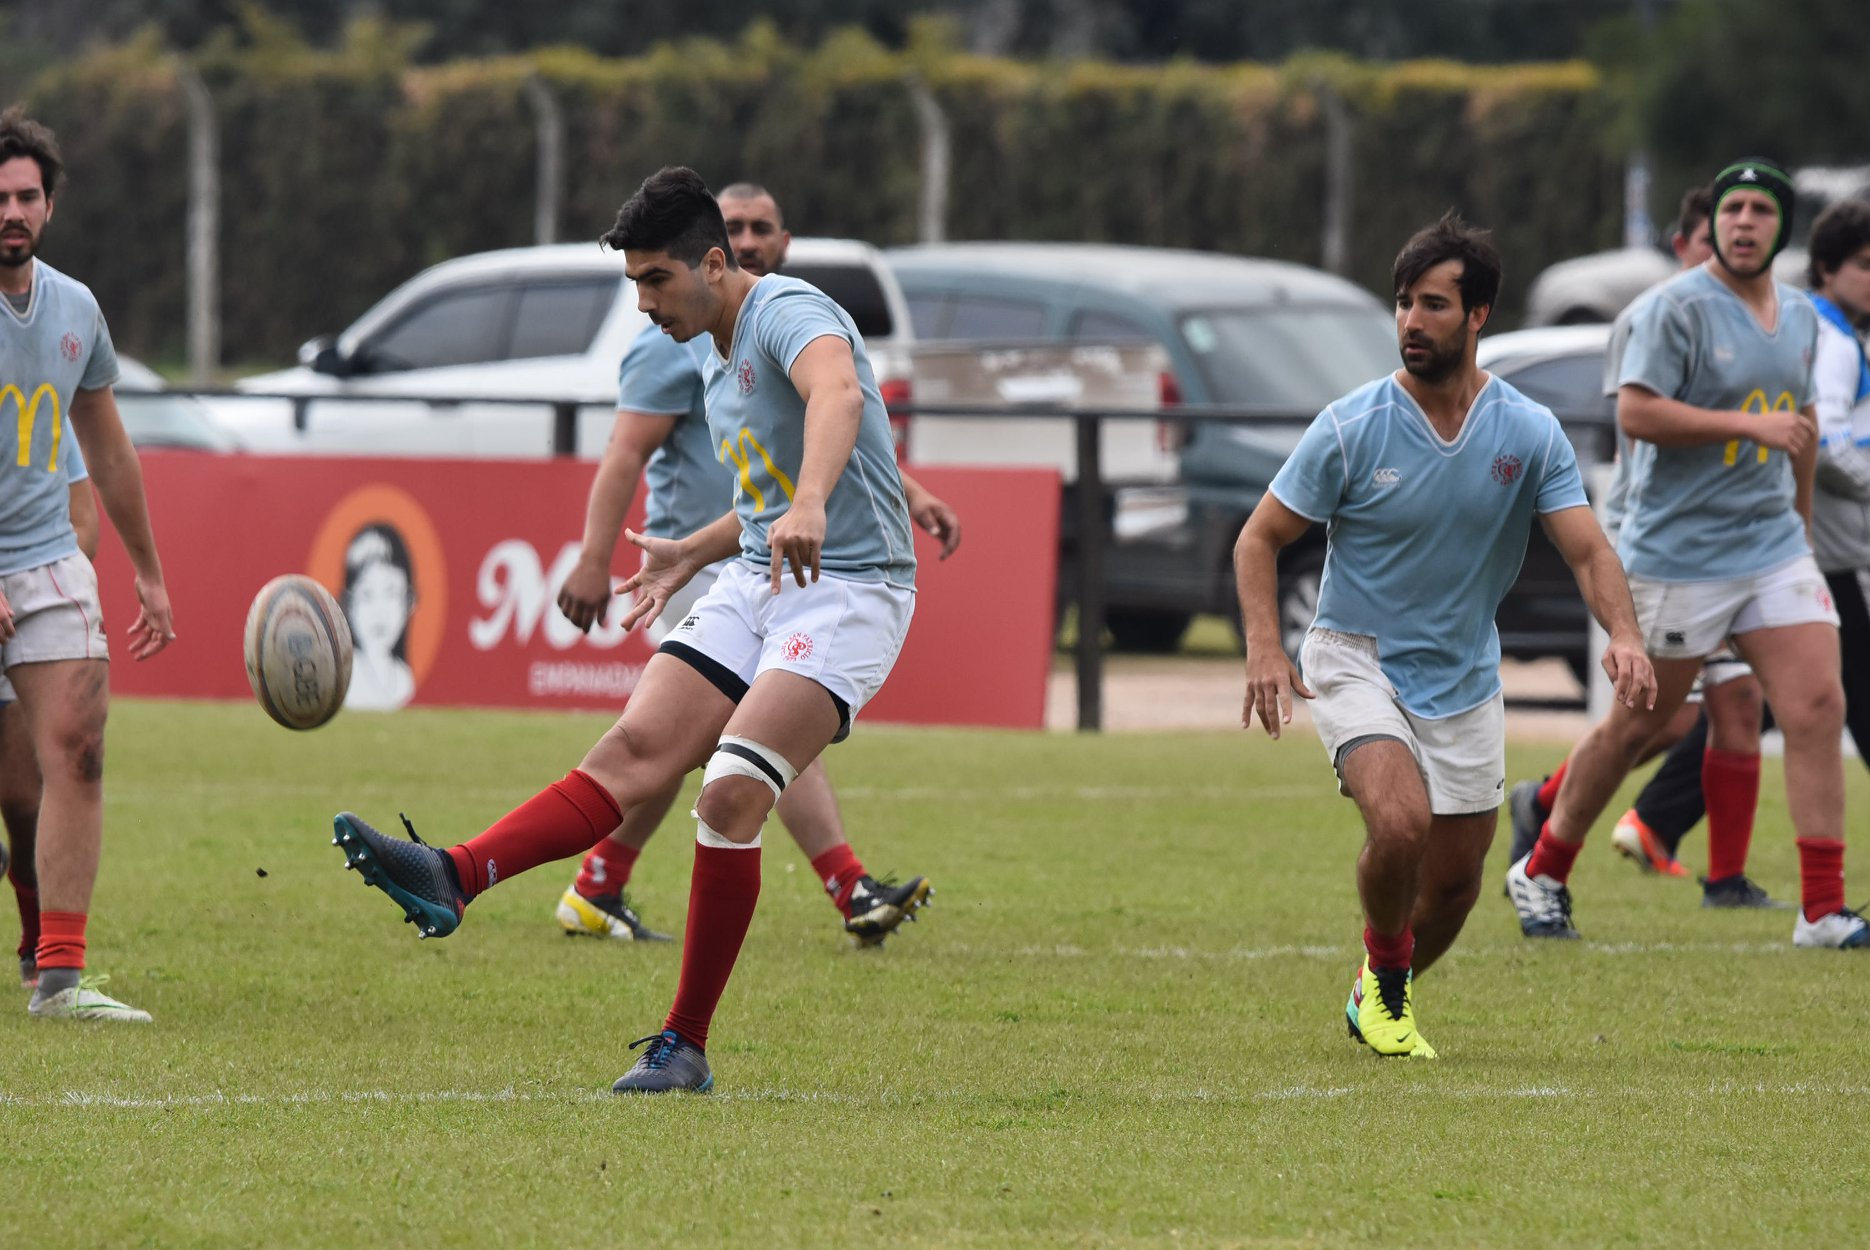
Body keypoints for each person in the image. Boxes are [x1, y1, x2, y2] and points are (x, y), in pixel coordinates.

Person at [331, 166, 919, 1092]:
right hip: (761, 572)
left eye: (656, 281)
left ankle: (685, 1044)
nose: (643, 302)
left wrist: (807, 504)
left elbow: (838, 396)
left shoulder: (784, 310)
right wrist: (697, 547)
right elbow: (767, 502)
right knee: (634, 748)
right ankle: (455, 873)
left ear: (715, 263)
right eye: (634, 282)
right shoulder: (702, 348)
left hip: (851, 589)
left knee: (729, 792)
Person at [1237, 212, 1655, 1058]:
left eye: (1432, 304)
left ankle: (1375, 989)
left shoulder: (1528, 432)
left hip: (1464, 676)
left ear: (1478, 317)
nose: (1411, 322)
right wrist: (1263, 646)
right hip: (1356, 660)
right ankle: (1390, 995)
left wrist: (1626, 635)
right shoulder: (1353, 426)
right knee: (1399, 824)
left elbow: (1587, 547)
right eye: (1402, 304)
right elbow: (1259, 538)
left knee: (1458, 886)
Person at [552, 182, 954, 946]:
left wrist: (906, 492)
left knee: (703, 749)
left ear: (779, 241)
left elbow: (826, 423)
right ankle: (846, 884)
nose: (748, 237)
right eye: (734, 225)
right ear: (712, 249)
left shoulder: (777, 318)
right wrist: (593, 557)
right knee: (725, 745)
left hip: (772, 549)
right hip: (701, 563)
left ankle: (596, 882)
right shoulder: (677, 335)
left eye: (759, 227)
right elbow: (624, 452)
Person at [1508, 158, 1866, 950]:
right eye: (1733, 209)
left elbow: (1800, 427)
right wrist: (1748, 428)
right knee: (1641, 726)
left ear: (1781, 227)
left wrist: (1800, 529)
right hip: (1677, 554)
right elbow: (1636, 414)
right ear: (1716, 224)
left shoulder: (1801, 317)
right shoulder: (1670, 310)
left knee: (1816, 706)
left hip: (1770, 547)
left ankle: (1822, 910)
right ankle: (1542, 867)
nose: (1744, 222)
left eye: (1760, 211)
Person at [1508, 185, 1773, 899]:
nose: (1722, 250)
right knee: (1659, 718)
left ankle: (1724, 875)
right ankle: (1546, 818)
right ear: (1686, 245)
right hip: (1658, 540)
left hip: (1730, 545)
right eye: (1707, 238)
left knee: (1739, 704)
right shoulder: (1654, 319)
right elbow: (1641, 431)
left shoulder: (1755, 319)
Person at [0, 106, 177, 1021]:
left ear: (50, 205)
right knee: (14, 791)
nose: (11, 212)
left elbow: (108, 451)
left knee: (77, 746)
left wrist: (146, 569)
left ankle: (60, 977)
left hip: (44, 559)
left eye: (26, 196)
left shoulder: (76, 310)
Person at [1, 433, 97, 990]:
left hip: (23, 611)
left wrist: (42, 586)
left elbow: (85, 524)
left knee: (20, 795)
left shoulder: (47, 419)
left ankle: (39, 940)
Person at [1805, 198, 1870, 768]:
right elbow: (1828, 446)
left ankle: (1655, 818)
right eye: (1866, 264)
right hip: (1826, 554)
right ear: (1827, 267)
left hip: (1817, 548)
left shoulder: (1818, 327)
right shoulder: (1836, 341)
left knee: (1765, 702)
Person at [341, 522, 417, 711]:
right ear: (348, 605)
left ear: (408, 601)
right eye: (367, 595)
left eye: (391, 593)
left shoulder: (404, 680)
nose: (379, 611)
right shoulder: (344, 679)